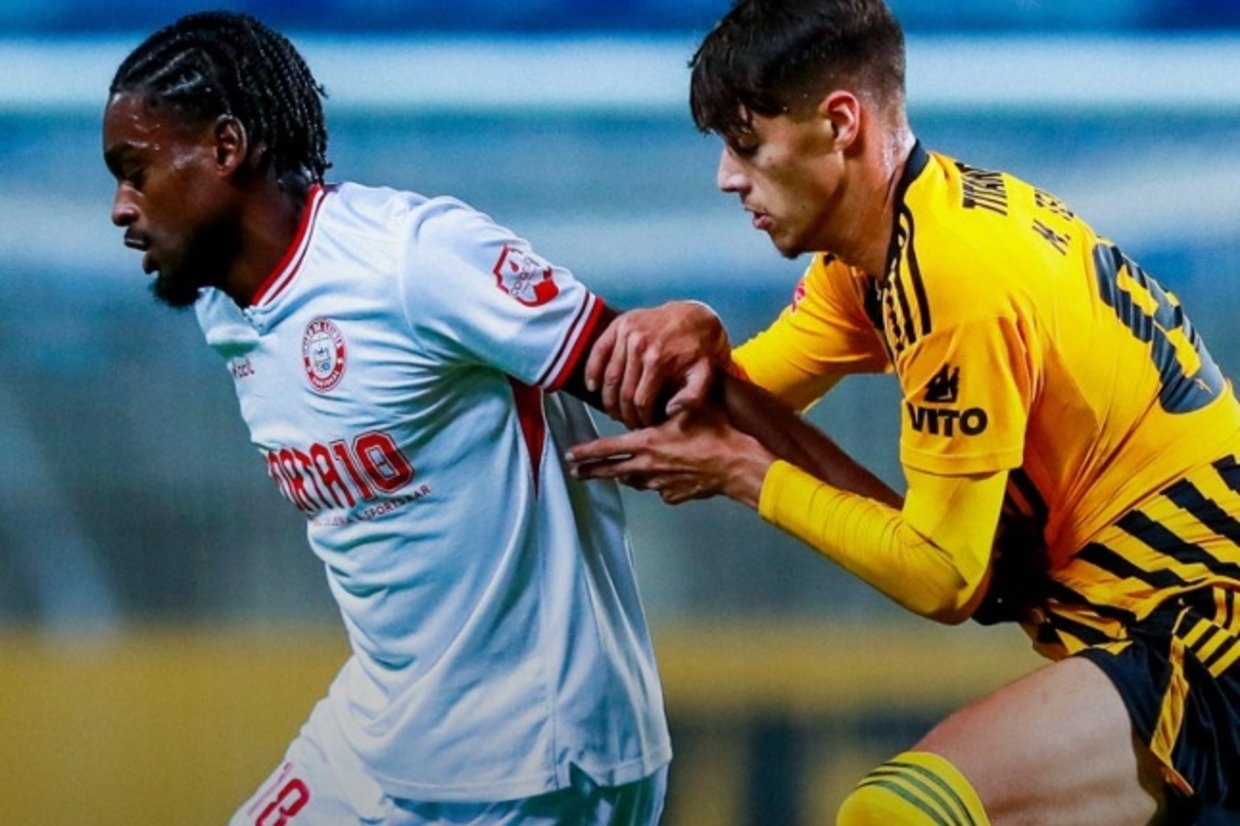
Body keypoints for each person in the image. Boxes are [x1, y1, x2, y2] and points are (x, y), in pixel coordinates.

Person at [567, 0, 1240, 823]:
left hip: (1210, 628)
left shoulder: (954, 277)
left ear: (839, 123)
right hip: (1164, 635)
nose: (727, 178)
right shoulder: (892, 249)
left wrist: (744, 476)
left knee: (901, 812)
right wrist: (701, 341)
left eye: (747, 144)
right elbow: (724, 407)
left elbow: (944, 576)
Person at [100, 12, 675, 825]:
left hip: (531, 761)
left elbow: (665, 384)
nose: (120, 209)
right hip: (379, 738)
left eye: (135, 173)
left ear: (227, 147)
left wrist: (842, 508)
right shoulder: (227, 310)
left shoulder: (412, 260)